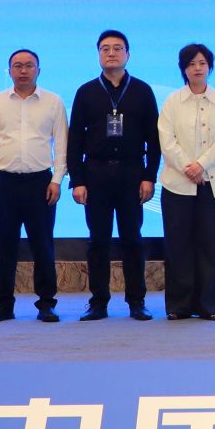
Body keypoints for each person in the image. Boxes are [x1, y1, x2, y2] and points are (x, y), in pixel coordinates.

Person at [66, 29, 160, 321]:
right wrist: (77, 180)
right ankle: (98, 302)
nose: (111, 53)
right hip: (96, 174)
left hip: (132, 173)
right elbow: (74, 140)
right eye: (105, 48)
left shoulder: (142, 91)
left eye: (117, 48)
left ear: (128, 54)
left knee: (133, 239)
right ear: (98, 54)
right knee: (98, 241)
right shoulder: (86, 92)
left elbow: (154, 139)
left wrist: (150, 176)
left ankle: (136, 301)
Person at [0, 48, 67, 324]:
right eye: (17, 66)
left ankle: (46, 304)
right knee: (5, 246)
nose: (23, 70)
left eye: (29, 65)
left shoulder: (53, 102)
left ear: (39, 70)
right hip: (5, 183)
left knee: (43, 246)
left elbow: (62, 144)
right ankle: (3, 305)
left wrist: (57, 179)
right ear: (10, 71)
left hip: (41, 183)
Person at [157, 43, 215, 320]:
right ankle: (179, 305)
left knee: (210, 245)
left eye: (202, 63)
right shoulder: (172, 102)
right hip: (177, 183)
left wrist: (201, 164)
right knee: (178, 245)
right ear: (183, 69)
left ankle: (208, 305)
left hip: (214, 182)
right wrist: (188, 168)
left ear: (210, 67)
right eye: (191, 64)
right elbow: (167, 141)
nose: (197, 68)